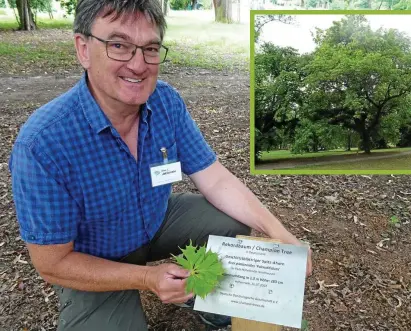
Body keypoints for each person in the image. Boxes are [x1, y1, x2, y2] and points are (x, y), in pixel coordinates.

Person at [8, 0, 312, 330]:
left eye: (150, 48)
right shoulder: (43, 143)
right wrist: (148, 278)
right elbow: (52, 263)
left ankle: (209, 301)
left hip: (154, 221)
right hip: (94, 256)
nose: (139, 65)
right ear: (83, 49)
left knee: (230, 218)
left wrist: (280, 232)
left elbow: (215, 178)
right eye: (119, 45)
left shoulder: (165, 101)